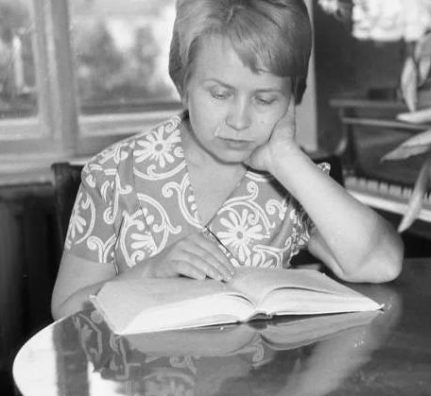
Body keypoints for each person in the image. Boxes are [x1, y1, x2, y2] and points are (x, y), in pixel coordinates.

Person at [51, 0, 404, 320]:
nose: (240, 120)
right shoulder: (114, 173)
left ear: (292, 98)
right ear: (183, 84)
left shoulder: (292, 181)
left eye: (265, 100)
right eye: (220, 94)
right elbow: (66, 310)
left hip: (258, 374)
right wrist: (149, 272)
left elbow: (382, 263)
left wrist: (285, 159)